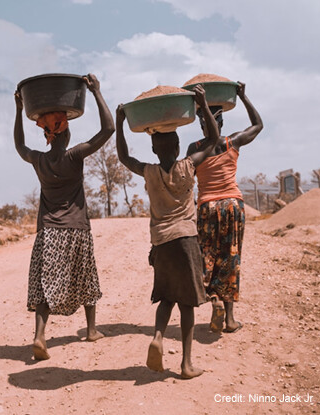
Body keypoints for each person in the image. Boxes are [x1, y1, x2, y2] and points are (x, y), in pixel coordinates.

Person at [115, 85, 219, 379]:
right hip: (186, 240)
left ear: (153, 149)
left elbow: (123, 157)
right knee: (187, 303)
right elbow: (212, 139)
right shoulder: (188, 166)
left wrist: (121, 123)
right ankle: (186, 364)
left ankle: (158, 337)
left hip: (161, 243)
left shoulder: (148, 171)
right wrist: (202, 104)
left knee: (166, 297)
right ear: (176, 147)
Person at [14, 73, 115, 360]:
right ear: (64, 133)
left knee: (47, 284)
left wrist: (18, 110)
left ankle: (39, 336)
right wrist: (96, 92)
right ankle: (91, 329)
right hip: (77, 229)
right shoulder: (74, 156)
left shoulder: (40, 160)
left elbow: (19, 146)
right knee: (86, 279)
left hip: (49, 232)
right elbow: (108, 130)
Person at [186, 82, 263, 334]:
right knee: (230, 258)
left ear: (201, 122)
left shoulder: (194, 149)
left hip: (208, 206)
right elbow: (258, 125)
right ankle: (229, 319)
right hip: (232, 205)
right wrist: (243, 95)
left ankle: (214, 301)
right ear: (222, 123)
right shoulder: (233, 142)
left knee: (207, 257)